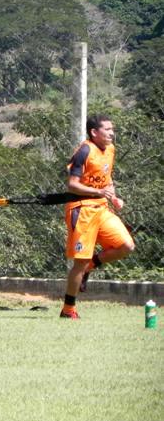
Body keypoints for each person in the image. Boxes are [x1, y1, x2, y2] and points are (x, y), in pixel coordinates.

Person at [60, 114, 135, 319]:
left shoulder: (110, 150)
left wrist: (114, 197)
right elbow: (72, 184)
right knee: (80, 262)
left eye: (113, 129)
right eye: (108, 129)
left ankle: (90, 267)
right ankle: (68, 310)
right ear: (94, 132)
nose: (112, 133)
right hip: (81, 209)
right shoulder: (84, 150)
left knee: (126, 245)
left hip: (101, 208)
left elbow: (107, 178)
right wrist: (97, 192)